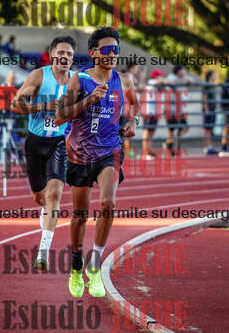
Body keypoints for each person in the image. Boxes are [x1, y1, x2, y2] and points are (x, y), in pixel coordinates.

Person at [55, 26, 138, 298]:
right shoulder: (79, 80)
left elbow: (133, 106)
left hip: (109, 151)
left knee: (108, 203)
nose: (112, 54)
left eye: (116, 50)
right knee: (80, 215)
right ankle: (76, 266)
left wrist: (133, 122)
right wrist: (89, 99)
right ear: (93, 53)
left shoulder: (124, 81)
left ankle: (95, 264)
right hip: (79, 153)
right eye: (107, 50)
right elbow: (60, 116)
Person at [10, 36, 76, 270]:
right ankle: (44, 206)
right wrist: (42, 107)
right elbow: (15, 105)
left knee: (55, 194)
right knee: (40, 196)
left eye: (69, 54)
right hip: (35, 143)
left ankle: (43, 253)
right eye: (61, 52)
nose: (65, 57)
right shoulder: (38, 76)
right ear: (52, 54)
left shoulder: (77, 81)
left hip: (58, 143)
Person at [164, 65, 190, 156]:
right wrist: (183, 81)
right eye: (182, 70)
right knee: (171, 129)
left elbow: (192, 80)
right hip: (171, 108)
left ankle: (171, 145)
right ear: (178, 71)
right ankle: (169, 147)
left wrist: (186, 81)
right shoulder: (171, 77)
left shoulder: (184, 77)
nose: (184, 71)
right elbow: (169, 82)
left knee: (184, 128)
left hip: (180, 109)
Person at [141, 69, 166, 160]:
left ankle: (149, 151)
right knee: (147, 132)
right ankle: (145, 152)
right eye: (159, 75)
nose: (161, 77)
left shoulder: (158, 85)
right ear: (155, 76)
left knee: (152, 132)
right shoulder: (151, 82)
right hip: (149, 112)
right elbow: (161, 81)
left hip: (155, 112)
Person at [202, 71, 218, 155]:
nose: (216, 76)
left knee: (210, 129)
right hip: (208, 110)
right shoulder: (207, 85)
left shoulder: (212, 85)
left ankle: (209, 146)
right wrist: (207, 110)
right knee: (206, 129)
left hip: (213, 110)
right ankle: (206, 147)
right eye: (214, 75)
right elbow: (204, 98)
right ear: (210, 76)